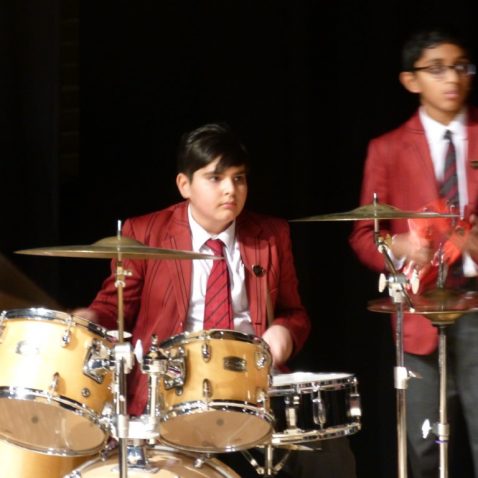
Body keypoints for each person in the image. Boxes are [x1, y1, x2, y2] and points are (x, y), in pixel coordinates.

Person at [76, 123, 356, 477]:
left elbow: (293, 312)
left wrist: (285, 332)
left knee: (328, 451)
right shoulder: (145, 233)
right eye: (216, 178)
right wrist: (88, 317)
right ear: (184, 185)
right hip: (169, 393)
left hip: (250, 389)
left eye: (239, 179)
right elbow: (113, 308)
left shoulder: (270, 235)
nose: (231, 190)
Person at [350, 28, 478, 477]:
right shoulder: (387, 149)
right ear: (411, 80)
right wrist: (396, 244)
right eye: (437, 68)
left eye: (461, 66)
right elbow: (365, 234)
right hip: (421, 311)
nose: (452, 79)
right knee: (424, 446)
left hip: (477, 302)